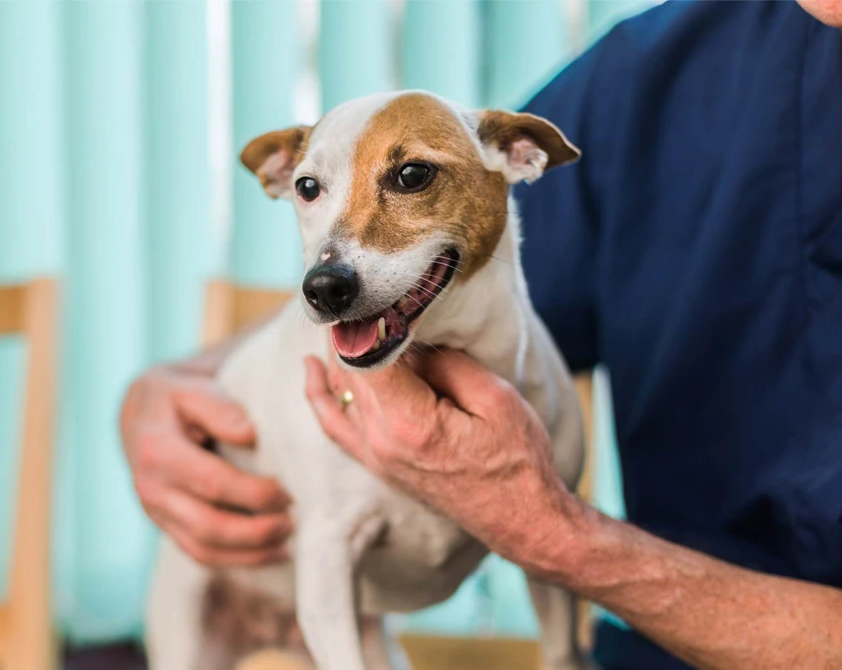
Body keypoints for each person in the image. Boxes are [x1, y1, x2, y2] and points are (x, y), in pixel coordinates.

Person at [118, 2, 842, 668]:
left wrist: (561, 536)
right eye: (310, 188)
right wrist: (174, 387)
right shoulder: (649, 74)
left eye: (409, 177)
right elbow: (458, 269)